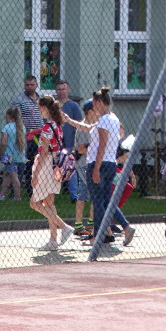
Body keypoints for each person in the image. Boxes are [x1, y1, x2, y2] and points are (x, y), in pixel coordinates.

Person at [64, 86, 136, 246]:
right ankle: (126, 227)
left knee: (97, 202)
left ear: (99, 102)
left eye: (94, 105)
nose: (93, 108)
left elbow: (102, 144)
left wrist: (95, 168)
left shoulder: (104, 120)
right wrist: (69, 121)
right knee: (106, 202)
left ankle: (97, 236)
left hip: (99, 163)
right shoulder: (113, 119)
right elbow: (88, 128)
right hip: (109, 163)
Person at [26, 95, 75, 250]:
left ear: (44, 108)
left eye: (39, 108)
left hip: (46, 166)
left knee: (34, 203)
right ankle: (53, 240)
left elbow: (44, 153)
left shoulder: (48, 128)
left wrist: (35, 174)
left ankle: (64, 227)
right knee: (49, 203)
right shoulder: (57, 126)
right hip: (55, 166)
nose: (39, 111)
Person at [10, 76, 44, 196]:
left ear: (36, 85)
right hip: (25, 136)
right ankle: (15, 191)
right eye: (27, 85)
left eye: (32, 84)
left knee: (35, 164)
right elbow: (12, 115)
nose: (30, 87)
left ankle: (32, 190)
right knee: (21, 163)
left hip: (39, 135)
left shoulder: (41, 99)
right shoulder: (19, 100)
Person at [56, 80, 84, 202]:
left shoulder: (74, 107)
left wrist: (75, 145)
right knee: (55, 168)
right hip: (56, 143)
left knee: (71, 168)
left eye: (64, 89)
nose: (61, 91)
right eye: (59, 89)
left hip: (70, 143)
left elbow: (79, 126)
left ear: (68, 90)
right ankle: (53, 193)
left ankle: (74, 194)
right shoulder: (54, 106)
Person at [72, 100, 94, 237]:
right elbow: (81, 148)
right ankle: (89, 224)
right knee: (93, 193)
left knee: (84, 194)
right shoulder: (83, 127)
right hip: (84, 164)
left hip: (89, 163)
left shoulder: (93, 126)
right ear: (90, 111)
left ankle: (81, 224)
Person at [0, 106, 24, 201]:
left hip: (9, 156)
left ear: (8, 116)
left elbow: (3, 143)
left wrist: (0, 153)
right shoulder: (22, 127)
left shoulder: (6, 127)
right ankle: (2, 194)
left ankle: (17, 196)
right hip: (19, 155)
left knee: (13, 176)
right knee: (6, 174)